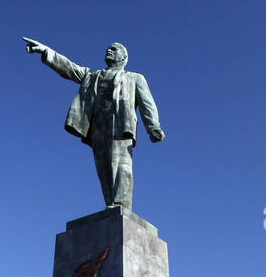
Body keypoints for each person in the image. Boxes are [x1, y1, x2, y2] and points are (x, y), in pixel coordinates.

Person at [23, 37, 164, 210]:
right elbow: (69, 68)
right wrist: (46, 51)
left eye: (114, 49)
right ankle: (111, 205)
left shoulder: (135, 78)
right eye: (108, 49)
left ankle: (121, 206)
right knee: (103, 168)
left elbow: (147, 104)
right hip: (98, 124)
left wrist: (153, 127)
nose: (109, 51)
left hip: (120, 125)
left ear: (124, 58)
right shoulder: (92, 75)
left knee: (122, 166)